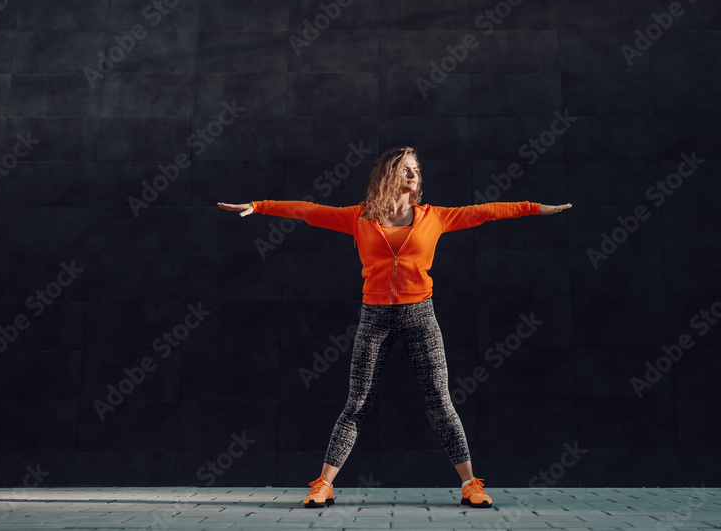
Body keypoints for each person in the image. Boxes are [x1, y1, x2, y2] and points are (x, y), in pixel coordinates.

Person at [218, 146, 571, 509]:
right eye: (405, 169)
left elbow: (486, 212)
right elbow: (307, 211)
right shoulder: (359, 217)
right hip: (375, 317)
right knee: (356, 404)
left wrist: (536, 208)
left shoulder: (436, 216)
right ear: (388, 175)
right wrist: (259, 205)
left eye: (415, 168)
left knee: (441, 402)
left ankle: (470, 484)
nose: (413, 174)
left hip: (421, 314)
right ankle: (323, 484)